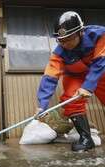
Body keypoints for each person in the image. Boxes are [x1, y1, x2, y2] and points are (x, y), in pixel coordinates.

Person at [36, 11, 105, 152]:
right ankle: (86, 139)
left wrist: (88, 86)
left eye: (69, 38)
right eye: (61, 40)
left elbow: (100, 62)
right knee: (71, 100)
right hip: (75, 75)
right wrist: (42, 105)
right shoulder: (59, 53)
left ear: (80, 32)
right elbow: (50, 77)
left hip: (99, 71)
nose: (65, 44)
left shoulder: (99, 35)